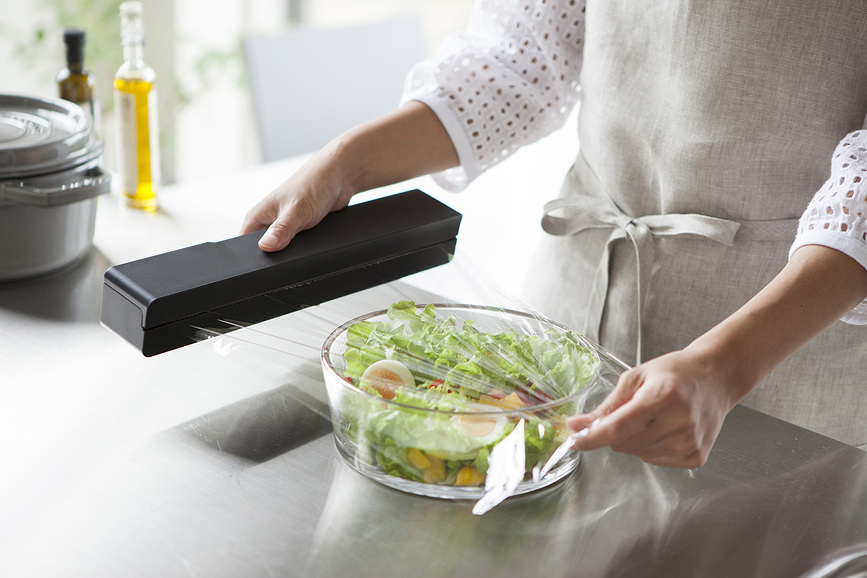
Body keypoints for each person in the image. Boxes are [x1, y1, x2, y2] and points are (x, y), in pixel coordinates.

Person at [242, 0, 867, 468]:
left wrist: (724, 369)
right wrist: (347, 162)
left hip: (787, 345)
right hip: (577, 301)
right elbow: (520, 58)